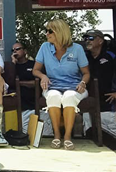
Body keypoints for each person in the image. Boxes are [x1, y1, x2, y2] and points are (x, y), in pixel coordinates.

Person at [32, 19, 90, 151]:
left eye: (50, 31)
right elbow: (35, 70)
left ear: (59, 32)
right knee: (53, 96)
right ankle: (57, 135)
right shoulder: (45, 47)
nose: (47, 34)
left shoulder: (77, 49)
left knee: (69, 96)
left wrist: (83, 82)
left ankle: (68, 137)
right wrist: (43, 76)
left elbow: (86, 73)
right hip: (53, 86)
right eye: (46, 31)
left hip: (75, 87)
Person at [82, 29, 116, 137]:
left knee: (111, 139)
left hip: (108, 106)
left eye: (91, 38)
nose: (87, 40)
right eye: (86, 38)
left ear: (100, 41)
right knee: (90, 137)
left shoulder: (111, 56)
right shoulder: (84, 57)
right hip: (89, 106)